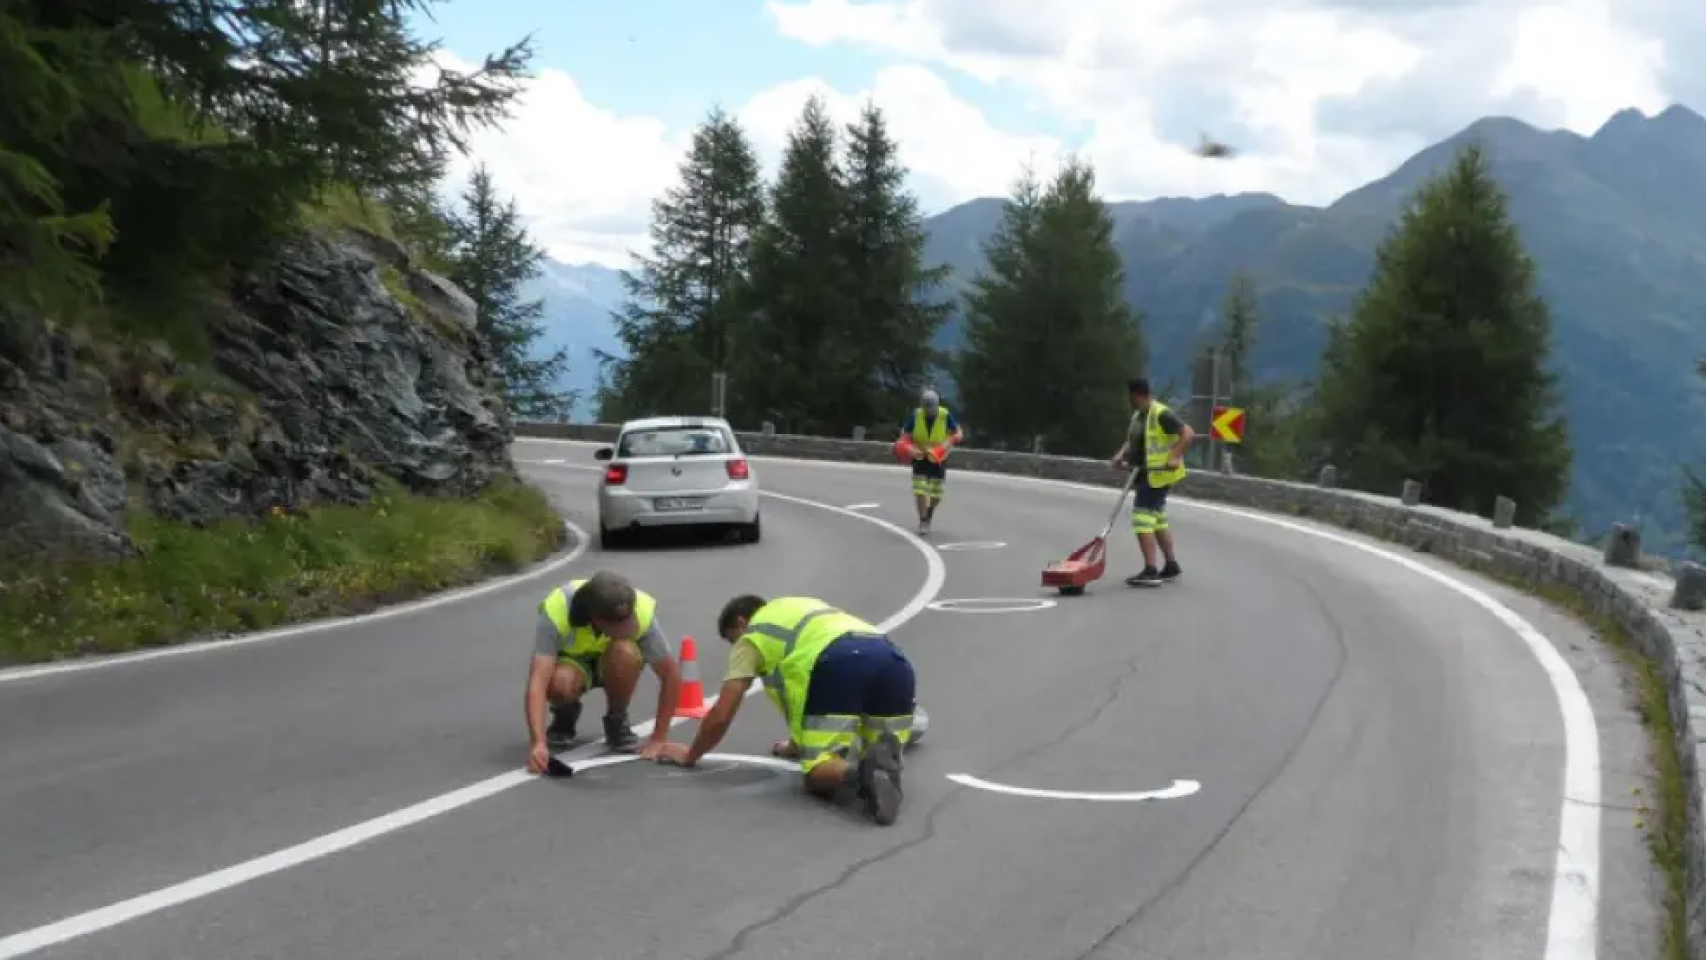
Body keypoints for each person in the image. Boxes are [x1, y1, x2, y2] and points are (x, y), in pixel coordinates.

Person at [653, 595, 917, 826]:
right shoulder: (799, 611)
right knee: (882, 746)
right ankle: (883, 767)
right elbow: (798, 699)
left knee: (817, 772)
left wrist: (691, 755)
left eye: (733, 640)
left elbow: (724, 710)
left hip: (840, 662)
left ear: (742, 623)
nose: (735, 648)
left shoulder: (752, 637)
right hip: (893, 660)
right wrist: (794, 743)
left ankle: (862, 772)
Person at [524, 570, 682, 774]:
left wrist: (659, 738)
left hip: (616, 661)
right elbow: (538, 681)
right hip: (572, 664)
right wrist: (538, 743)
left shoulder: (642, 611)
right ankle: (564, 715)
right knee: (559, 683)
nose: (623, 629)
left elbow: (671, 675)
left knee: (626, 651)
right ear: (594, 616)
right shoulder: (557, 609)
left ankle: (617, 720)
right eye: (615, 626)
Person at [1110, 377, 1195, 587]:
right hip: (1144, 473)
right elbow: (1134, 439)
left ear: (1136, 395)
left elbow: (1188, 433)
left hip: (1156, 474)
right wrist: (1121, 455)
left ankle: (1150, 570)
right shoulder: (1140, 415)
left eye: (1130, 396)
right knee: (1157, 520)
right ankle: (1171, 564)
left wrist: (1175, 455)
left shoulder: (1160, 413)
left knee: (1142, 519)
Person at [901, 388, 962, 535]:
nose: (929, 411)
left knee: (937, 493)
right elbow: (904, 435)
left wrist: (949, 443)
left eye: (931, 408)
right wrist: (909, 448)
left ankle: (929, 513)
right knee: (920, 490)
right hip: (920, 456)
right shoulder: (916, 415)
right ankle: (923, 520)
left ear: (936, 406)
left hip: (939, 457)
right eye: (926, 408)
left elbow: (958, 433)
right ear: (922, 406)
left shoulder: (944, 415)